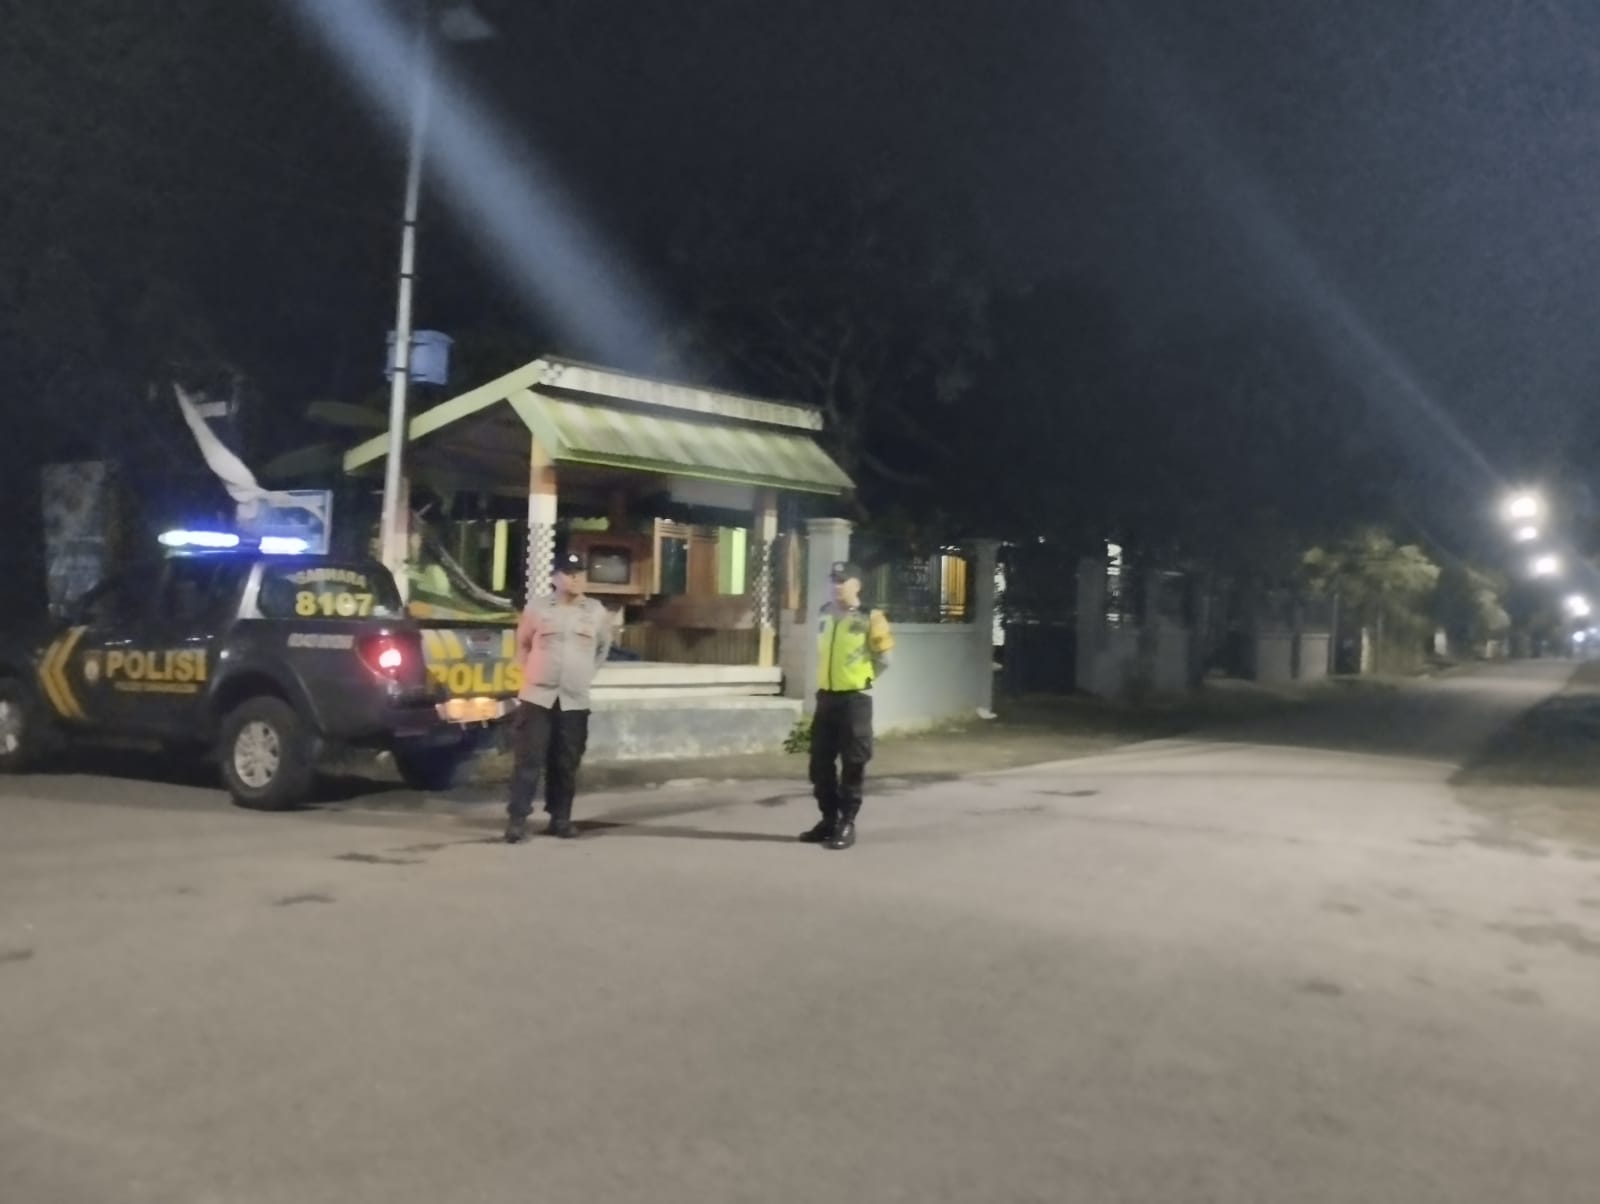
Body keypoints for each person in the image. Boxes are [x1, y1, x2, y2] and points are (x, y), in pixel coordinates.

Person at [505, 551, 613, 843]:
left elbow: (602, 649)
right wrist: (532, 674)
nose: (576, 578)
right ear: (555, 578)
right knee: (528, 760)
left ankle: (560, 818)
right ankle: (517, 820)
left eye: (580, 573)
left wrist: (583, 676)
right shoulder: (538, 609)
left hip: (574, 699)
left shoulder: (596, 612)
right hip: (538, 697)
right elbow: (522, 645)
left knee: (566, 762)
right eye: (569, 573)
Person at [801, 560, 894, 850]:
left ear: (857, 585)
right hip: (826, 698)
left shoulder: (871, 617)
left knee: (853, 762)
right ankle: (828, 819)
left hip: (855, 699)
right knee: (820, 763)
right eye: (833, 580)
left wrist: (863, 680)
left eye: (842, 581)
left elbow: (885, 659)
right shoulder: (824, 614)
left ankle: (847, 822)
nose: (836, 586)